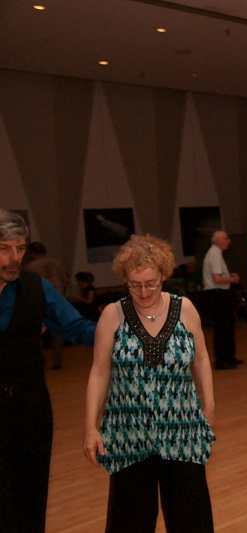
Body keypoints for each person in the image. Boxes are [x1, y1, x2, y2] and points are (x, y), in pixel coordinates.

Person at [83, 234, 216, 532]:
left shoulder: (185, 309)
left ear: (164, 275)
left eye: (150, 284)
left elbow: (201, 358)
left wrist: (209, 406)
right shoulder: (112, 315)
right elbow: (99, 372)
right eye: (134, 285)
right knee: (130, 522)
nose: (143, 292)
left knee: (190, 519)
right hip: (129, 433)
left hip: (182, 430)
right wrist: (90, 426)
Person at [0, 209, 96, 533]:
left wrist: (125, 333)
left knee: (30, 497)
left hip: (30, 410)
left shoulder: (35, 287)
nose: (14, 258)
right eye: (4, 248)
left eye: (20, 247)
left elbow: (76, 327)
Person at [23, 241, 70, 369]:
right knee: (57, 332)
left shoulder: (29, 267)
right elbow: (65, 281)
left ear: (32, 253)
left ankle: (40, 359)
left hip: (38, 302)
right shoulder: (57, 263)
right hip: (57, 300)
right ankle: (57, 361)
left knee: (36, 332)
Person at [202, 230, 241, 369]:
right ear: (218, 240)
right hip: (219, 295)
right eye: (226, 238)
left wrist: (228, 276)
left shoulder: (213, 253)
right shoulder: (215, 254)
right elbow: (217, 279)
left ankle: (227, 357)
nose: (228, 241)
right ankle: (224, 360)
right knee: (224, 327)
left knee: (223, 327)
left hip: (216, 294)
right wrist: (232, 279)